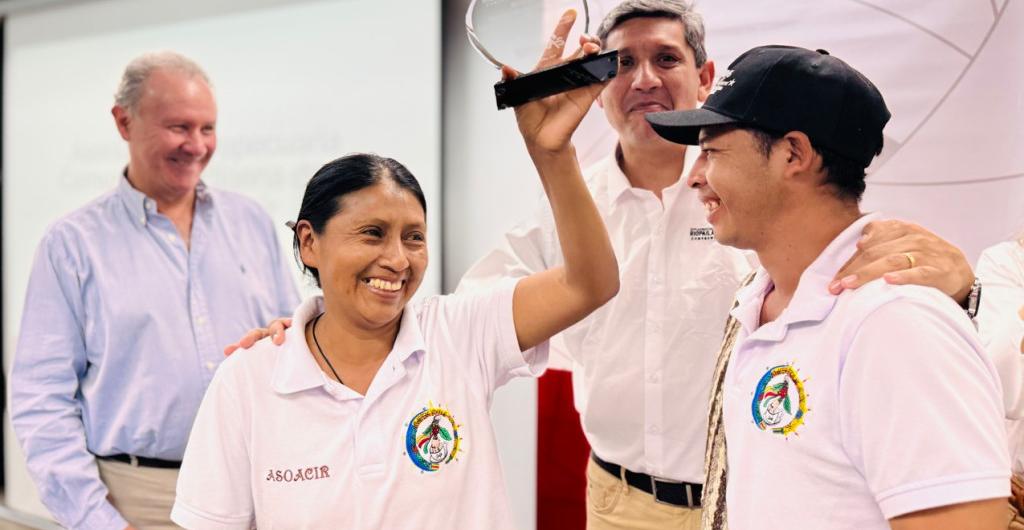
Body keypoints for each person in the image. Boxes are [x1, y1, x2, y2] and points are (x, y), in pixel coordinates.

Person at [454, 2, 978, 529]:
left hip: (747, 492)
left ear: (705, 78)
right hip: (624, 497)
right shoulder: (571, 208)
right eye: (622, 63)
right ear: (596, 83)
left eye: (665, 58)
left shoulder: (847, 275)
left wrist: (960, 292)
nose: (644, 80)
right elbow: (476, 321)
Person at [170, 21, 619, 529]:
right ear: (308, 242)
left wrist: (551, 155)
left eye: (414, 237)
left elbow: (590, 284)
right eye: (371, 233)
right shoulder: (250, 378)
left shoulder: (458, 334)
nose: (398, 260)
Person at [646, 44, 1009, 529]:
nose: (695, 178)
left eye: (711, 151)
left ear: (793, 153)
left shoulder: (895, 324)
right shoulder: (759, 303)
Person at [8, 51, 300, 530]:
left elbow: (290, 344)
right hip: (135, 503)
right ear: (124, 122)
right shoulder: (72, 245)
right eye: (179, 127)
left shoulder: (250, 221)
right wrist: (98, 521)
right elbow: (41, 400)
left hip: (252, 490)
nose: (197, 145)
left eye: (207, 129)